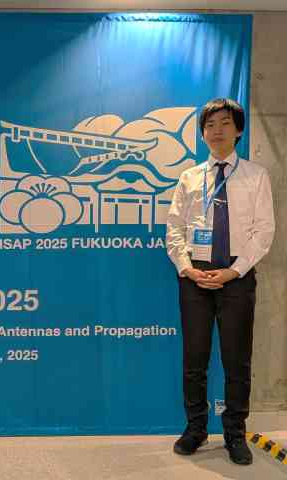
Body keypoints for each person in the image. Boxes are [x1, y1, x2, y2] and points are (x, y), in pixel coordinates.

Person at [166, 98, 275, 465]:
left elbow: (264, 232)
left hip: (236, 277)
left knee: (236, 361)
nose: (217, 131)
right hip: (195, 278)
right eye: (210, 125)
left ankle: (234, 434)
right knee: (194, 360)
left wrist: (233, 271)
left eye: (225, 123)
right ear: (202, 133)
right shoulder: (189, 178)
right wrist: (187, 268)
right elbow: (174, 229)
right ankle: (195, 428)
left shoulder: (256, 175)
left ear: (238, 130)